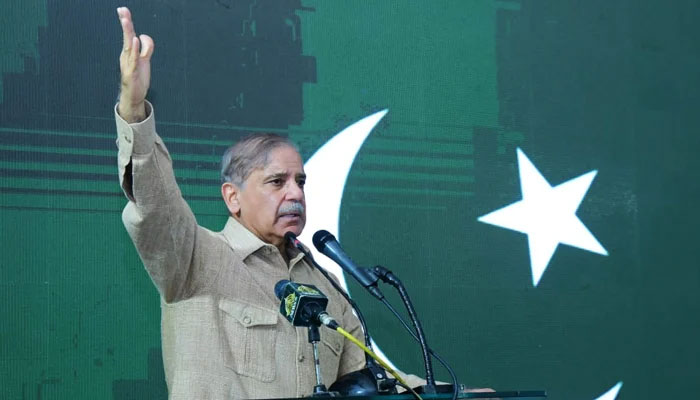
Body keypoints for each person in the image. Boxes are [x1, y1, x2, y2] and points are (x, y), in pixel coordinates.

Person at [116, 6, 494, 399]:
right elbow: (157, 206)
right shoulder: (197, 259)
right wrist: (133, 110)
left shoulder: (326, 284)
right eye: (276, 182)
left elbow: (368, 382)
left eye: (300, 182)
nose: (295, 193)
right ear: (233, 197)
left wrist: (456, 394)